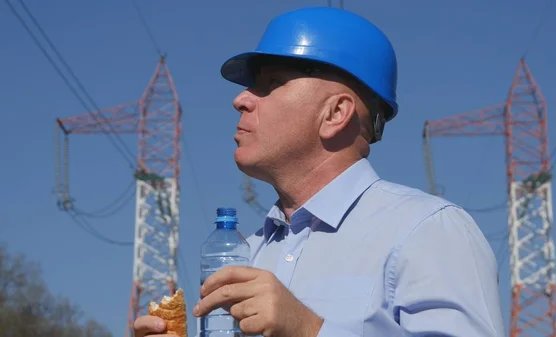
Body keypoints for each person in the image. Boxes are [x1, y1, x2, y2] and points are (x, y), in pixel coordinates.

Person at [134, 6, 505, 337]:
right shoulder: (249, 252)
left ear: (335, 114)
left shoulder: (426, 230)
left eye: (272, 84)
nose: (241, 99)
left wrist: (310, 330)